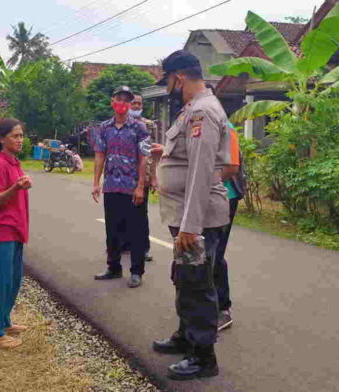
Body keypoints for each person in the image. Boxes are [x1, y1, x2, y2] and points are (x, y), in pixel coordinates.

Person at [150, 50, 231, 380]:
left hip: (195, 219)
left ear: (179, 78)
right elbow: (187, 158)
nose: (169, 88)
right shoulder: (191, 111)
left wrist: (191, 227)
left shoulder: (202, 112)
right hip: (184, 216)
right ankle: (186, 336)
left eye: (168, 81)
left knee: (197, 284)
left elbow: (200, 172)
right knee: (184, 278)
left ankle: (202, 357)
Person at [92, 85, 150, 288]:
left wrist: (141, 186)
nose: (122, 103)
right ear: (112, 102)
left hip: (132, 187)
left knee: (135, 230)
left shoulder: (139, 128)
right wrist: (96, 183)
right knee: (113, 229)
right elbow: (100, 155)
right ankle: (113, 267)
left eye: (127, 100)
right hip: (111, 186)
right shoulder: (104, 128)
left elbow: (144, 158)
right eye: (119, 99)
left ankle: (136, 271)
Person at [0, 118, 32, 349]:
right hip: (2, 231)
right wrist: (16, 187)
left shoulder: (14, 163)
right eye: (15, 136)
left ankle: (4, 322)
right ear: (1, 139)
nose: (20, 140)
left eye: (21, 135)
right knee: (1, 282)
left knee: (13, 281)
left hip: (16, 230)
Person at [214, 123, 247, 331]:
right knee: (203, 254)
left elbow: (232, 165)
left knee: (215, 254)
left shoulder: (227, 128)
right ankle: (205, 304)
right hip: (204, 197)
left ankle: (223, 309)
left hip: (226, 196)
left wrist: (206, 181)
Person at [128, 93, 158, 262]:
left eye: (139, 104)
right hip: (124, 177)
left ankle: (143, 248)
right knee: (124, 213)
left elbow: (153, 153)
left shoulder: (149, 125)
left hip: (143, 176)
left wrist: (153, 176)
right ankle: (125, 245)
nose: (136, 106)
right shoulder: (122, 124)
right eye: (134, 103)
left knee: (140, 214)